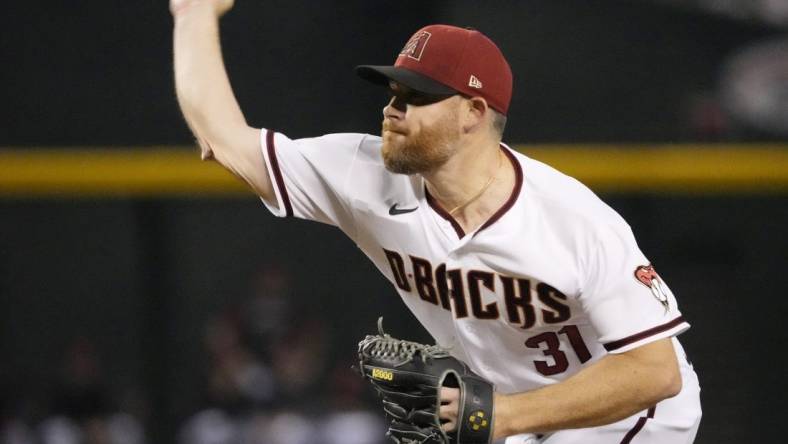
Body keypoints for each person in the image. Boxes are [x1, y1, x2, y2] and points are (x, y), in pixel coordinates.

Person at [170, 1, 702, 443]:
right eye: (393, 93)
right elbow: (225, 141)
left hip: (631, 419)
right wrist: (195, 14)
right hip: (519, 417)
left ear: (473, 112)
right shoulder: (362, 174)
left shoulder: (574, 221)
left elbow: (655, 373)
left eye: (416, 96)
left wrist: (505, 417)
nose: (392, 109)